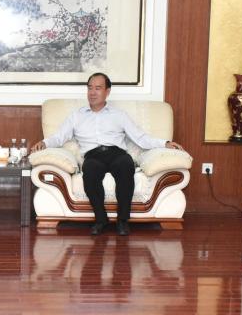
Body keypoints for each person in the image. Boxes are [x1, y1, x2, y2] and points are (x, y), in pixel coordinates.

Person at [31, 72, 184, 236]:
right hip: (93, 156)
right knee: (90, 171)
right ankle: (100, 219)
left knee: (126, 166)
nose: (92, 92)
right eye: (90, 88)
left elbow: (141, 138)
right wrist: (44, 143)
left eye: (98, 88)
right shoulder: (76, 116)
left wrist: (165, 143)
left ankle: (122, 220)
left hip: (117, 154)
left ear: (107, 92)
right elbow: (59, 137)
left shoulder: (119, 115)